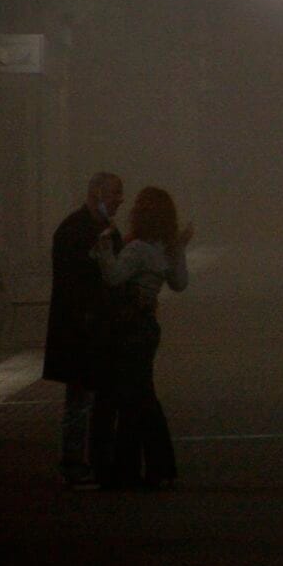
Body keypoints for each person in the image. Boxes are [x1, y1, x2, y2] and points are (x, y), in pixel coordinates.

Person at [91, 186, 192, 489]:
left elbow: (114, 276)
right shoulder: (164, 248)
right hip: (148, 327)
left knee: (133, 398)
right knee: (142, 395)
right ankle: (155, 466)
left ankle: (137, 466)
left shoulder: (136, 249)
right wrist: (180, 248)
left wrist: (103, 249)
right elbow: (179, 283)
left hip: (128, 329)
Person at [44, 172, 124, 489]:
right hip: (79, 328)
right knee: (79, 398)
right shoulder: (75, 230)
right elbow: (76, 282)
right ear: (97, 193)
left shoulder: (98, 229)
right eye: (115, 193)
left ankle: (90, 460)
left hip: (94, 326)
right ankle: (74, 462)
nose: (120, 200)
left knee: (88, 397)